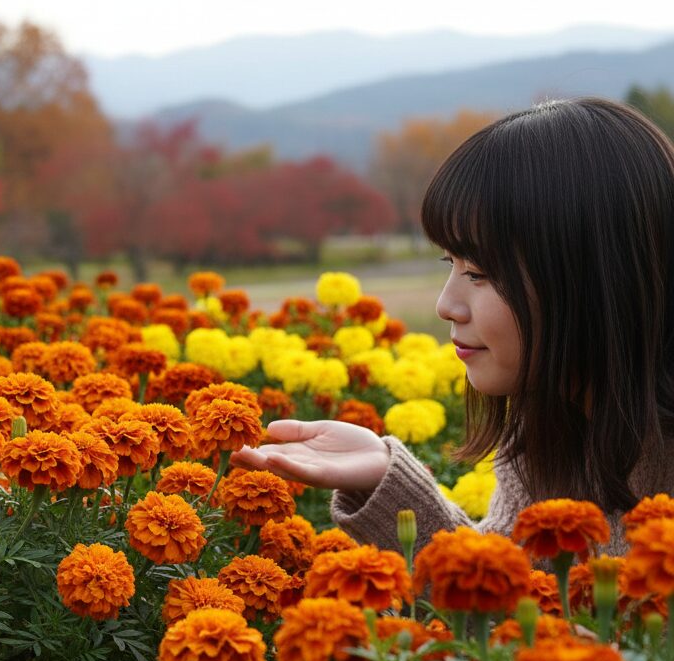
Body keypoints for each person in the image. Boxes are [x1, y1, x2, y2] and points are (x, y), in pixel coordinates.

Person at [231, 97, 674, 562]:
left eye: (480, 273)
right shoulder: (546, 424)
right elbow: (509, 593)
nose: (447, 306)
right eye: (451, 262)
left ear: (594, 278)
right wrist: (386, 481)